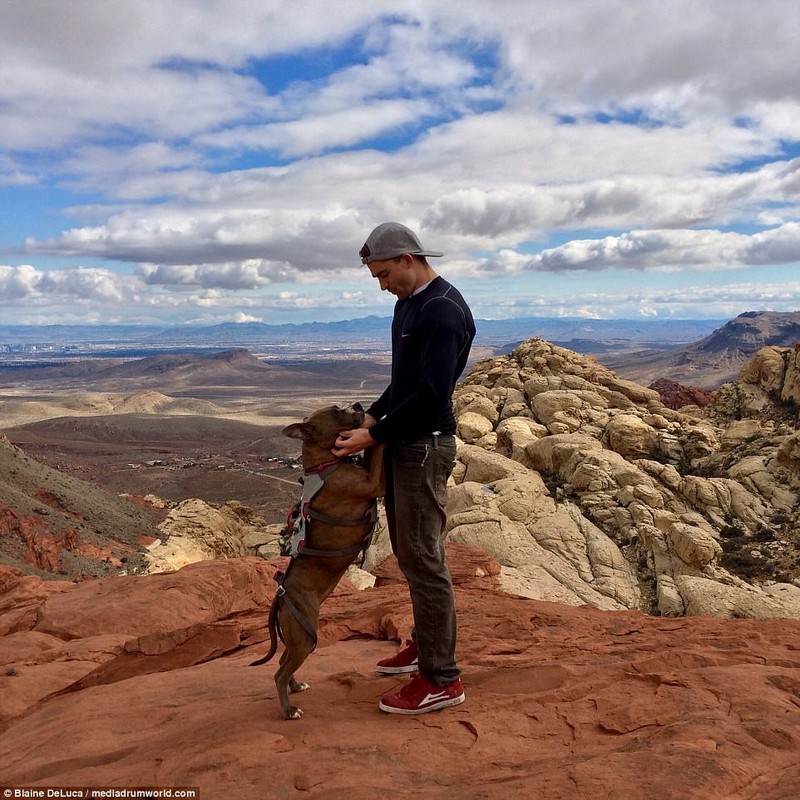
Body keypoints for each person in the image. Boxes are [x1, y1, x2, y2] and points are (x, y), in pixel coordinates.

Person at [333, 221, 475, 715]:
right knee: (410, 554)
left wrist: (375, 434)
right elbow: (405, 382)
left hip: (424, 446)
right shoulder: (408, 305)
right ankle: (426, 645)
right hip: (404, 442)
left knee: (424, 558)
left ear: (409, 260)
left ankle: (441, 678)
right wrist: (373, 414)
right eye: (376, 276)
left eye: (385, 272)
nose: (382, 283)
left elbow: (434, 394)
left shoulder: (441, 311)